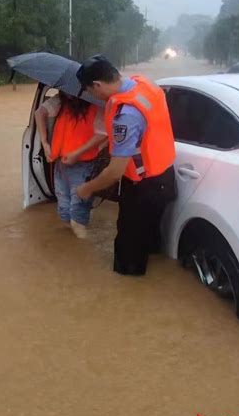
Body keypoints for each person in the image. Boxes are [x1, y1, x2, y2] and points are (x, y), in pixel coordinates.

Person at [75, 55, 176, 275]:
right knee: (149, 238)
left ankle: (132, 289)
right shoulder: (144, 84)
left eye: (90, 91)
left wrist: (87, 188)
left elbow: (115, 171)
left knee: (129, 254)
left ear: (98, 85)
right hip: (165, 176)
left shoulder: (126, 115)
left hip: (143, 189)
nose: (93, 96)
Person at [35, 91, 107, 239]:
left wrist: (78, 153)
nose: (68, 95)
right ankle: (70, 246)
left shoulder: (98, 103)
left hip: (83, 165)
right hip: (60, 163)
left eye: (71, 93)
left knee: (77, 212)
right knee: (64, 211)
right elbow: (39, 112)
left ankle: (80, 248)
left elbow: (103, 134)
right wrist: (45, 143)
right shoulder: (62, 100)